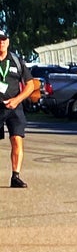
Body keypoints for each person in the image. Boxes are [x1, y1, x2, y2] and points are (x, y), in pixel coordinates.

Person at [0, 25, 39, 188]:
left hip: (14, 107)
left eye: (3, 40)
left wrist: (17, 100)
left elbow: (30, 85)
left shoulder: (16, 61)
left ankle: (15, 176)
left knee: (17, 139)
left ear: (7, 42)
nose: (0, 43)